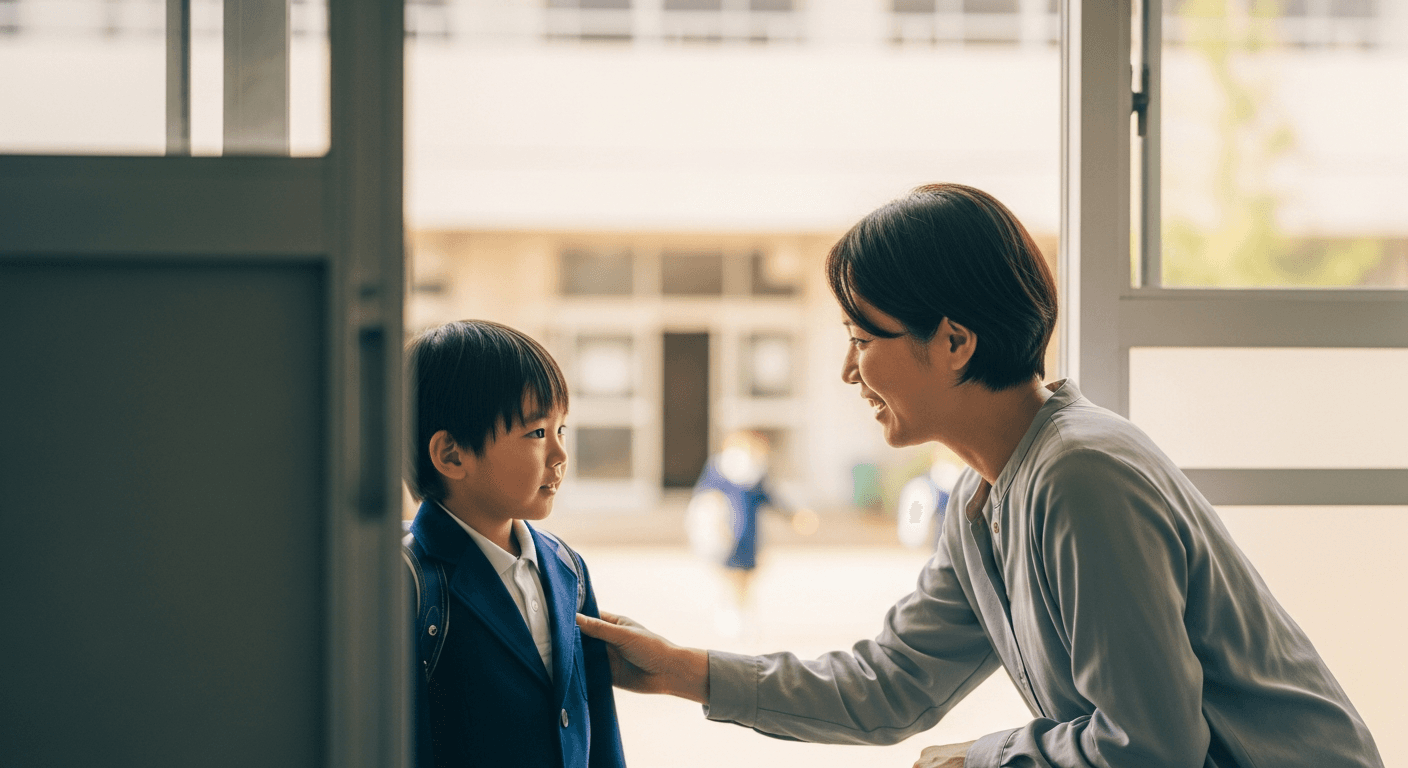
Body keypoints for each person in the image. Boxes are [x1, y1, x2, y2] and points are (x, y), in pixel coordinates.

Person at [577, 184, 1383, 768]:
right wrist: (683, 669)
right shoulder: (983, 498)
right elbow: (891, 685)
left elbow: (1151, 749)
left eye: (863, 338)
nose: (848, 372)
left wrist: (979, 760)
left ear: (955, 342)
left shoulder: (1083, 476)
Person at [404, 320, 625, 768]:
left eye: (561, 430)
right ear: (451, 454)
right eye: (537, 434)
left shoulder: (566, 566)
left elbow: (598, 721)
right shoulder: (410, 581)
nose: (560, 455)